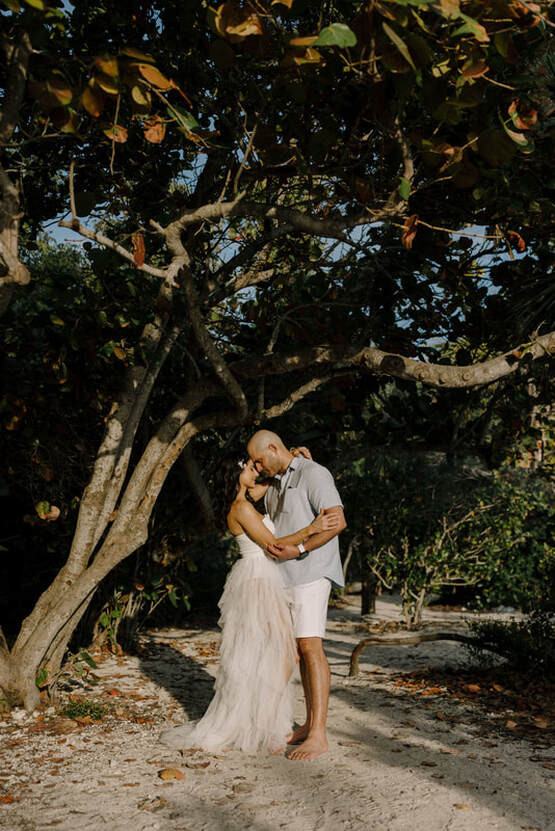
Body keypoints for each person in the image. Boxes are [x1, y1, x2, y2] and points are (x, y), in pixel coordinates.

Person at [159, 455, 340, 755]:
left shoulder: (249, 500)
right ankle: (259, 722)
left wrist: (298, 458)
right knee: (282, 652)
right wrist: (312, 529)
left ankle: (263, 719)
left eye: (255, 465)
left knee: (279, 653)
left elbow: (280, 478)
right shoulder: (241, 507)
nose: (253, 469)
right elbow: (274, 544)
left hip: (266, 577)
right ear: (234, 477)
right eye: (247, 467)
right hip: (258, 581)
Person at [247, 430, 346, 761]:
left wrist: (301, 547)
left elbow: (336, 521)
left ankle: (319, 735)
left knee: (311, 647)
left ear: (274, 449)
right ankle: (307, 725)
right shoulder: (274, 481)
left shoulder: (314, 473)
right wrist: (265, 467)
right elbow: (246, 491)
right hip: (284, 576)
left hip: (311, 573)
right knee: (298, 650)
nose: (257, 466)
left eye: (259, 459)